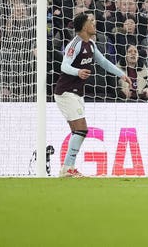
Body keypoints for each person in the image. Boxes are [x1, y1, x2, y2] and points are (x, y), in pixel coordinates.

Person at [54, 13, 131, 177]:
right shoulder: (74, 45)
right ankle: (67, 168)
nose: (94, 24)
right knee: (81, 130)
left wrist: (121, 74)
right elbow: (64, 66)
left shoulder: (91, 45)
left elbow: (103, 62)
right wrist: (78, 71)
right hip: (66, 92)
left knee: (78, 132)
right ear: (83, 26)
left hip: (76, 93)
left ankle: (68, 168)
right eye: (91, 22)